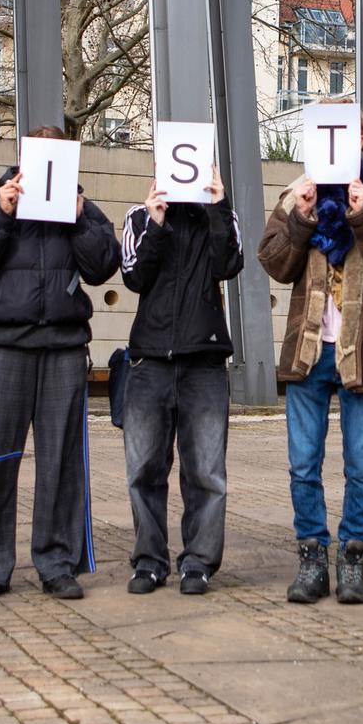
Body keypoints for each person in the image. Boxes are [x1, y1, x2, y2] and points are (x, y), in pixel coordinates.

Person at [0, 126, 121, 600]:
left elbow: (102, 265)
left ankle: (56, 563)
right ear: (24, 155)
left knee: (62, 461)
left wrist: (82, 218)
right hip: (4, 347)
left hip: (64, 349)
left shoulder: (83, 206)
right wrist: (3, 214)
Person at [259, 107, 363, 606]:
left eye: (359, 135)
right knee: (303, 463)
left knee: (362, 465)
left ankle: (352, 557)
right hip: (307, 352)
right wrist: (302, 215)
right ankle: (311, 558)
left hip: (362, 353)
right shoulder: (296, 192)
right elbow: (274, 263)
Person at [117, 166, 242, 595]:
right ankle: (149, 561)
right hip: (149, 360)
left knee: (206, 470)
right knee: (144, 469)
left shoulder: (218, 213)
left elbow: (229, 264)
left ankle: (199, 562)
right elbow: (134, 276)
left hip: (203, 360)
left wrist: (217, 208)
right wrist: (156, 223)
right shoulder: (140, 216)